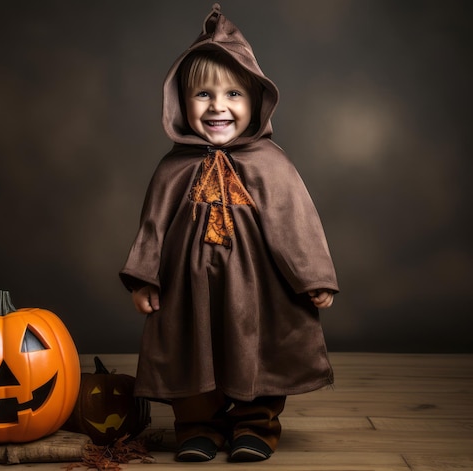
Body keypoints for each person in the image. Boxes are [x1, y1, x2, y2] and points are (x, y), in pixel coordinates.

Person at [119, 3, 338, 463]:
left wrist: (314, 276)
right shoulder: (171, 168)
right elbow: (153, 226)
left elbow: (295, 221)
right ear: (182, 102)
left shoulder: (271, 163)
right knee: (190, 350)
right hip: (187, 290)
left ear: (255, 101)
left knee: (256, 349)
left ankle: (255, 424)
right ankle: (198, 425)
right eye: (203, 95)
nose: (218, 107)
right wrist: (144, 277)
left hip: (258, 289)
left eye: (233, 95)